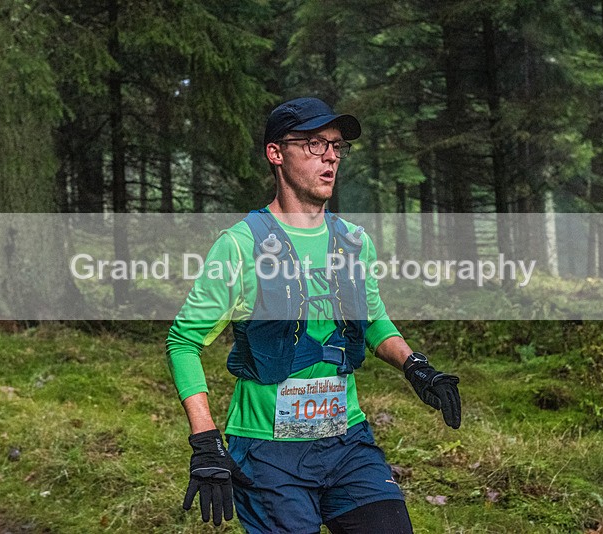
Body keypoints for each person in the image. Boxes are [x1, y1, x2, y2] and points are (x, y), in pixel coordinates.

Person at [166, 97, 461, 533]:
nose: (330, 156)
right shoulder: (241, 245)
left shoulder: (353, 242)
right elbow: (183, 342)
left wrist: (415, 366)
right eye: (314, 144)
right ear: (276, 153)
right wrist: (206, 440)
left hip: (347, 442)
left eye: (336, 146)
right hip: (268, 452)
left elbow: (373, 320)